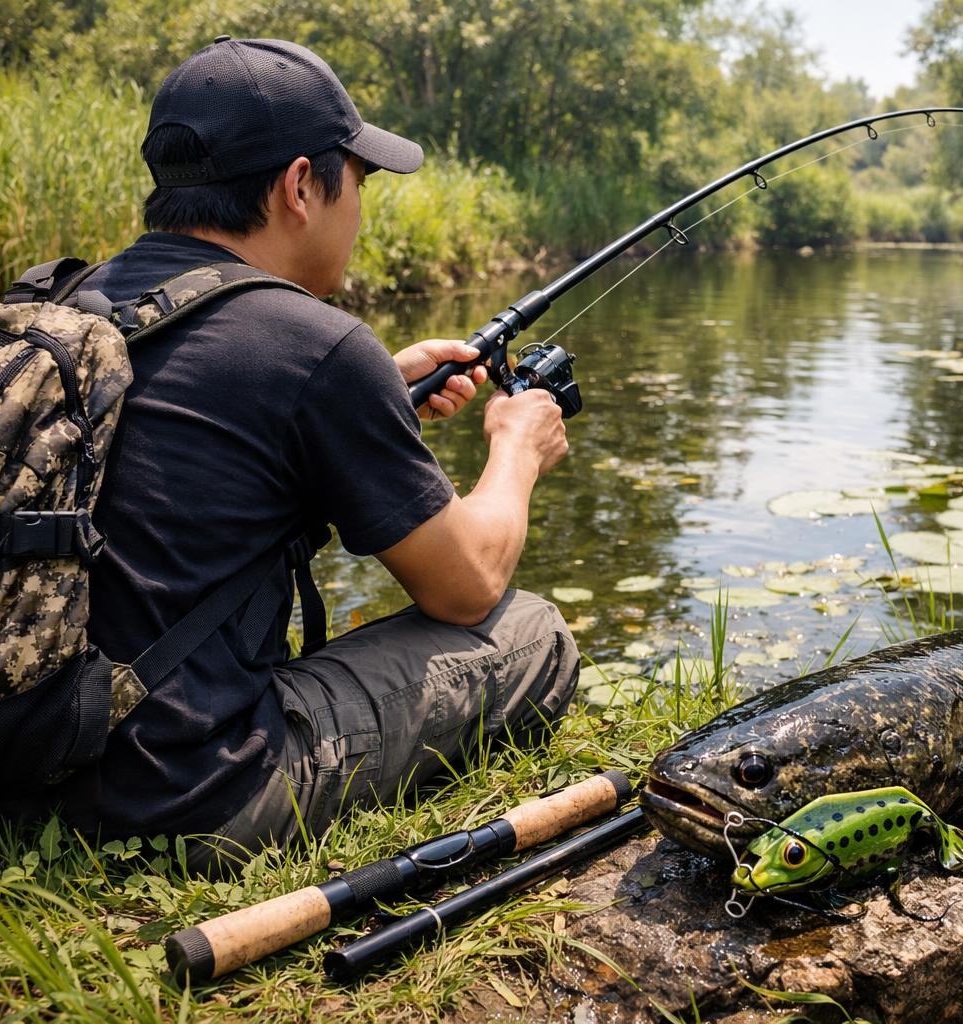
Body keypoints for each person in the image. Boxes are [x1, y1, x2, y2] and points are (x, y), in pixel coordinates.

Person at [39, 37, 578, 870]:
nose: (358, 208)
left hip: (11, 765)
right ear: (300, 186)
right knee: (533, 632)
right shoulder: (313, 343)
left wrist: (376, 390)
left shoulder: (67, 301)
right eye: (357, 182)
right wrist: (516, 449)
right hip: (183, 794)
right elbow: (467, 587)